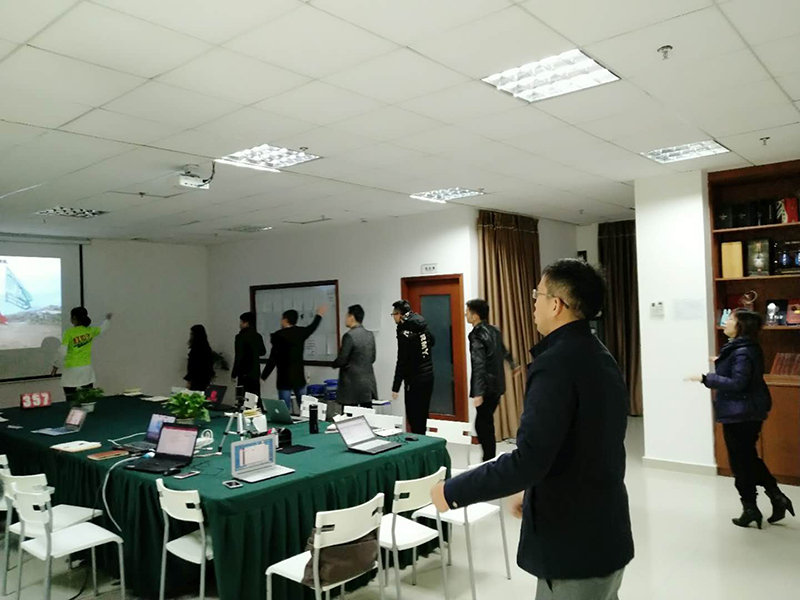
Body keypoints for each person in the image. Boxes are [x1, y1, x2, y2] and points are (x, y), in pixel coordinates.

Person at [431, 259, 634, 600]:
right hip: (605, 530)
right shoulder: (598, 354)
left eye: (537, 295)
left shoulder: (556, 363)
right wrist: (536, 490)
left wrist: (452, 491)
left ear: (556, 305)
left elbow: (529, 459)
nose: (534, 304)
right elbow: (582, 444)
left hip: (575, 545)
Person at [687, 309, 794, 528]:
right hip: (743, 411)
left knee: (741, 463)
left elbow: (738, 383)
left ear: (741, 326)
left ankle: (751, 508)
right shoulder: (742, 348)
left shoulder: (743, 351)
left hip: (742, 413)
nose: (725, 322)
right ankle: (775, 497)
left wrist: (705, 378)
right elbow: (740, 372)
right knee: (748, 459)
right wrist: (720, 361)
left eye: (731, 319)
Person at [465, 298, 517, 461]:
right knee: (485, 423)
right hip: (497, 385)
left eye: (467, 312)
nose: (466, 314)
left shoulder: (476, 334)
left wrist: (478, 392)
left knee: (483, 426)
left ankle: (489, 461)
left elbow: (479, 363)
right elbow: (503, 350)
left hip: (486, 386)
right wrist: (513, 364)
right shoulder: (494, 330)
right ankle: (489, 459)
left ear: (475, 315)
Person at [262, 304, 327, 413]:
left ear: (285, 320)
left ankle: (286, 422)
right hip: (298, 375)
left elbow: (273, 358)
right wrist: (319, 315)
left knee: (284, 409)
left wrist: (264, 375)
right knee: (304, 407)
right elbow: (312, 327)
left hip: (283, 376)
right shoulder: (300, 332)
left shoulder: (278, 335)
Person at [391, 300, 435, 435]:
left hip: (414, 379)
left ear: (400, 315)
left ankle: (419, 441)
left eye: (393, 314)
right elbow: (432, 341)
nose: (393, 317)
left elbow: (402, 361)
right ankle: (424, 439)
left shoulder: (404, 332)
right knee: (423, 413)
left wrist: (396, 387)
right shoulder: (421, 324)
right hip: (428, 376)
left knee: (413, 416)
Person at [51, 307, 113, 397]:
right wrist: (107, 319)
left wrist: (55, 366)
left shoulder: (69, 333)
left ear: (74, 318)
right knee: (88, 398)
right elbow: (102, 328)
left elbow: (62, 352)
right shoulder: (90, 331)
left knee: (71, 398)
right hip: (86, 369)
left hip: (71, 370)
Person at [331, 304, 378, 411]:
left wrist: (333, 364)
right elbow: (372, 358)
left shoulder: (349, 336)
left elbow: (342, 359)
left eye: (346, 316)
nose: (345, 319)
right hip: (367, 384)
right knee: (367, 415)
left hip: (351, 385)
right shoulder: (370, 335)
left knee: (349, 416)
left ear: (352, 317)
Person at [231, 312, 266, 398]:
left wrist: (234, 373)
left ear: (246, 323)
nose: (240, 324)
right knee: (255, 397)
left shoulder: (240, 337)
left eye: (241, 322)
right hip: (255, 371)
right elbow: (263, 352)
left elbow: (238, 356)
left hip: (243, 372)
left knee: (242, 397)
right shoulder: (258, 336)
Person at [184, 324, 215, 392]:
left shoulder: (195, 349)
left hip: (196, 379)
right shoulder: (207, 348)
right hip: (205, 379)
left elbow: (193, 366)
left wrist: (189, 380)